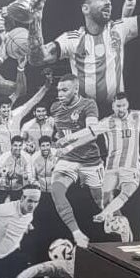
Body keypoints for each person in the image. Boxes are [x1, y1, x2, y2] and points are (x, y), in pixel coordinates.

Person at [28, 0, 140, 114]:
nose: (108, 3)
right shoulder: (72, 39)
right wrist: (35, 18)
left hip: (116, 113)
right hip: (84, 116)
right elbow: (38, 59)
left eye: (109, 0)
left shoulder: (119, 28)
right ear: (85, 8)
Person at [57, 93, 140, 241]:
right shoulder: (108, 122)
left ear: (127, 105)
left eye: (123, 105)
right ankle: (122, 224)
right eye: (118, 106)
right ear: (113, 106)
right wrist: (68, 140)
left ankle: (108, 217)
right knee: (106, 200)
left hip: (131, 167)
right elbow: (89, 132)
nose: (121, 109)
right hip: (112, 167)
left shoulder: (137, 116)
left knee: (125, 193)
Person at [47, 74, 102, 248]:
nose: (60, 93)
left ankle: (119, 223)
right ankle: (77, 234)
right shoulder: (55, 108)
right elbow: (59, 134)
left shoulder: (88, 104)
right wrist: (57, 142)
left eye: (65, 90)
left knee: (102, 202)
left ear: (76, 89)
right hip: (67, 160)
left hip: (89, 160)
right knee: (56, 190)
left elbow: (93, 131)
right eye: (58, 90)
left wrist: (68, 143)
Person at [0, 79, 50, 157]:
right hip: (3, 155)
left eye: (8, 107)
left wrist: (45, 88)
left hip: (19, 153)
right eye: (4, 107)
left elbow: (32, 102)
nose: (6, 110)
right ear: (0, 109)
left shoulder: (16, 114)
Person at [0, 135, 36, 200]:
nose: (18, 148)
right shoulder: (3, 157)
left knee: (17, 208)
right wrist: (4, 175)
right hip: (3, 189)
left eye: (20, 145)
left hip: (18, 189)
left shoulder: (26, 157)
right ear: (11, 145)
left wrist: (24, 176)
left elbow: (31, 175)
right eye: (15, 145)